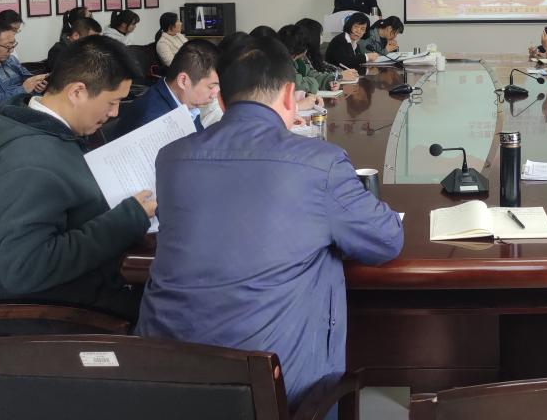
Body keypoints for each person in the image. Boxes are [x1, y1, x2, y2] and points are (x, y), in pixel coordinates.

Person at [135, 35, 403, 406]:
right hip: (267, 391)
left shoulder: (171, 158)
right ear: (290, 95)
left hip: (161, 380)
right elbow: (386, 240)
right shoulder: (320, 162)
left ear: (222, 99)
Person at [0, 36, 155, 320]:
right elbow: (23, 269)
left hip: (94, 288)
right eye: (112, 101)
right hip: (68, 318)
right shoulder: (27, 164)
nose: (115, 112)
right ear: (77, 91)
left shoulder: (53, 132)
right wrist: (128, 218)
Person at [113, 41, 220, 138]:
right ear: (183, 81)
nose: (215, 94)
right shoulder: (152, 124)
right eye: (211, 87)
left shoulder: (185, 102)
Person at [0, 18, 48, 106]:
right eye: (8, 46)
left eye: (13, 45)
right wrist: (23, 89)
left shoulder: (11, 60)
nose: (12, 50)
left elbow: (28, 77)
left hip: (30, 103)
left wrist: (37, 85)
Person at [295, 18, 358, 83]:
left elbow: (327, 66)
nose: (321, 37)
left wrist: (343, 72)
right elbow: (314, 76)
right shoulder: (301, 56)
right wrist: (339, 75)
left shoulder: (313, 53)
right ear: (312, 35)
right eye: (320, 34)